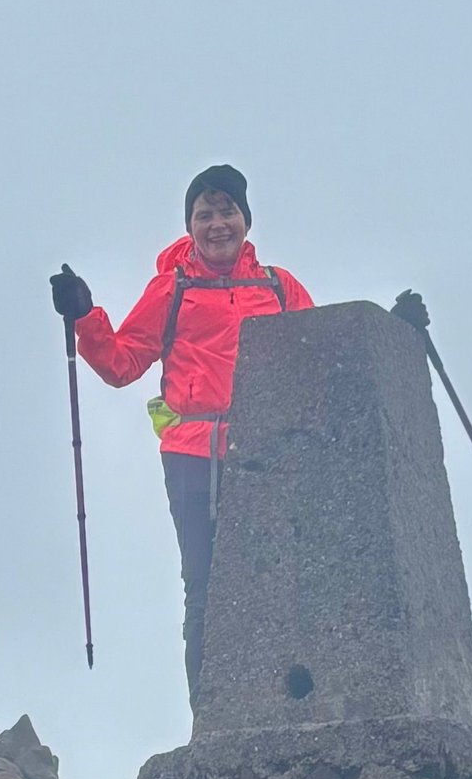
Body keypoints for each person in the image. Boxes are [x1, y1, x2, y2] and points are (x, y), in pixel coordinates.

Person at [50, 165, 314, 700]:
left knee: (281, 583)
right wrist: (84, 316)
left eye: (227, 210)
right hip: (193, 456)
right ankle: (213, 718)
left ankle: (279, 707)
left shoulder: (278, 286)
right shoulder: (173, 288)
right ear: (190, 225)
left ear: (246, 219)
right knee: (206, 589)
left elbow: (321, 354)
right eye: (205, 213)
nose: (217, 223)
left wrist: (392, 327)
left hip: (269, 452)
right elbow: (123, 364)